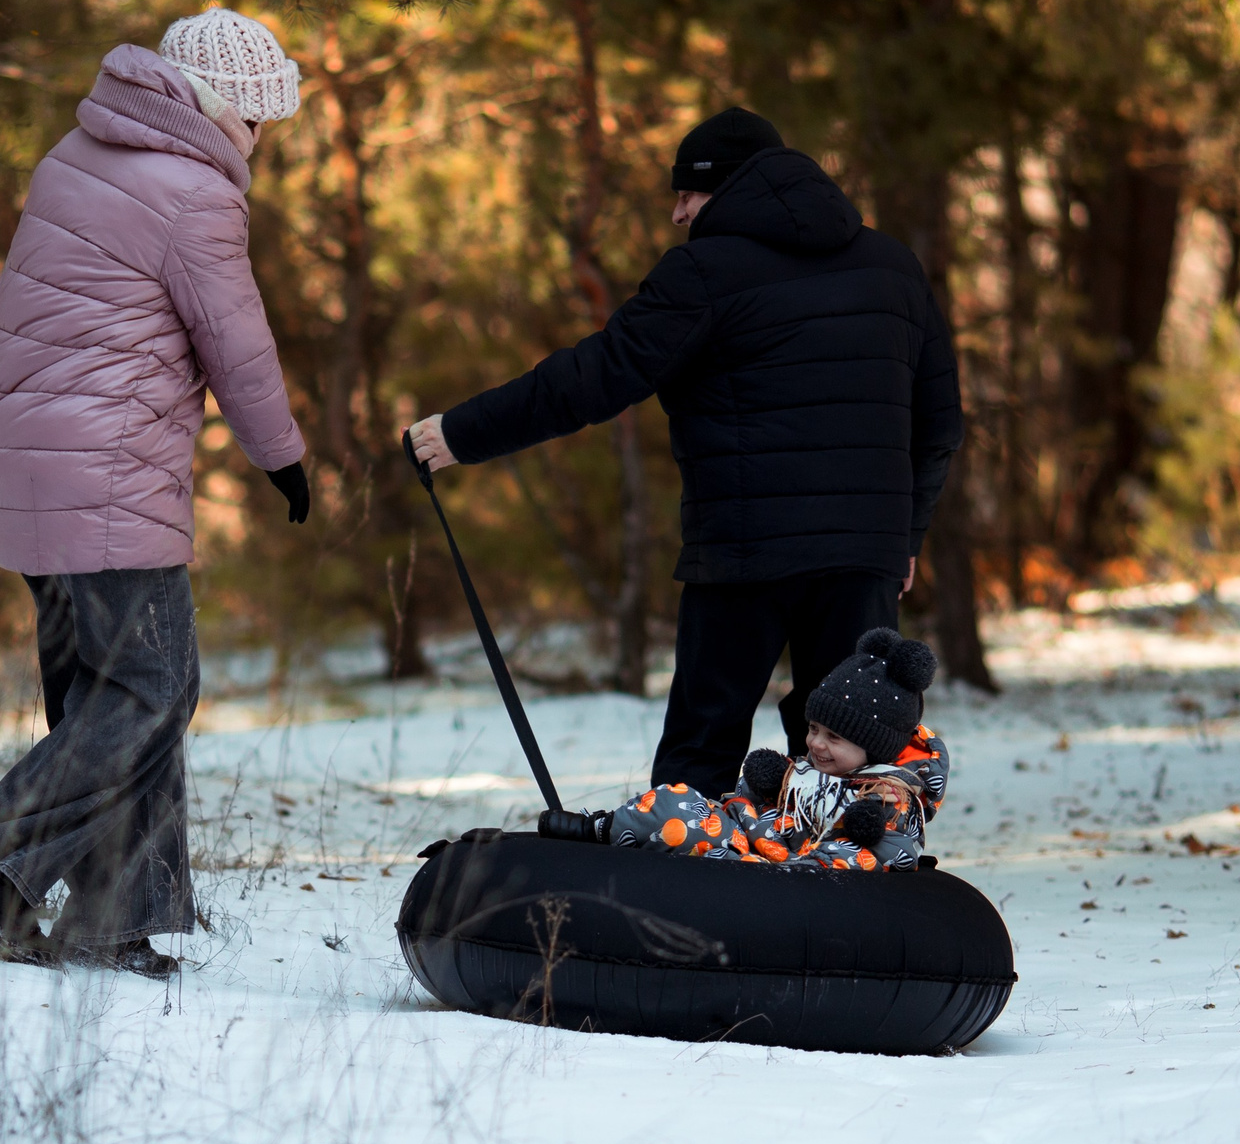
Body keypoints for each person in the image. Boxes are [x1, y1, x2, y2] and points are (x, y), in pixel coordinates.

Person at [407, 107, 963, 799]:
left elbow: (594, 376)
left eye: (688, 193)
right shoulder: (895, 267)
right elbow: (940, 424)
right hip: (863, 555)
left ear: (730, 187)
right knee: (853, 756)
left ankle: (682, 870)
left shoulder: (704, 271)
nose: (677, 213)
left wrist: (460, 432)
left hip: (743, 553)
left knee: (701, 755)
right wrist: (905, 536)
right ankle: (856, 870)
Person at [0, 8, 311, 976]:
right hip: (103, 476)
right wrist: (282, 456)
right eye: (256, 119)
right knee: (153, 686)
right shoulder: (194, 192)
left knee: (107, 699)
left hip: (21, 465)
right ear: (217, 106)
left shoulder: (77, 154)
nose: (260, 141)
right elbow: (236, 339)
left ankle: (116, 918)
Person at [609, 629, 949, 873]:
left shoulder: (889, 800)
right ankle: (601, 828)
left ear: (873, 749)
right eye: (813, 729)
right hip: (750, 844)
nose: (815, 743)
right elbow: (739, 809)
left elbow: (892, 851)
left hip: (788, 875)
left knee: (847, 858)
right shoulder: (801, 773)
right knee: (676, 804)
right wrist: (763, 787)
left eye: (833, 737)